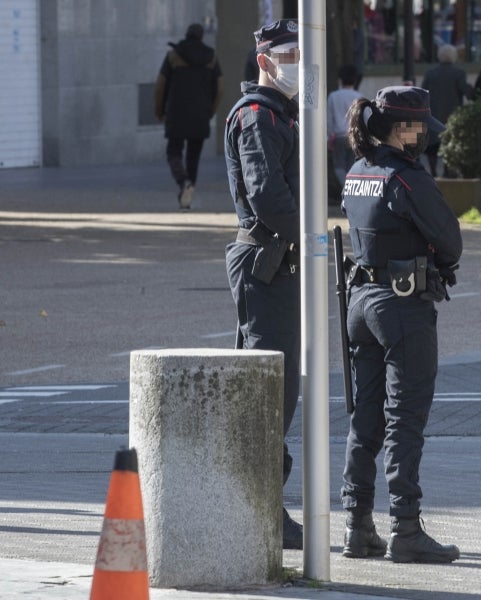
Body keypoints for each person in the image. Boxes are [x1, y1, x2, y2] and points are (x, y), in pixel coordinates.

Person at [339, 86, 463, 563]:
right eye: (422, 129)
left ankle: (356, 524)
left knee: (365, 417)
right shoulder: (406, 178)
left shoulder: (357, 172)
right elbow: (450, 241)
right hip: (401, 307)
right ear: (403, 130)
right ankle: (406, 528)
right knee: (404, 420)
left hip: (360, 305)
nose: (425, 139)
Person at [222, 19, 304, 550]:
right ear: (264, 60)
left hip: (279, 259)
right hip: (265, 260)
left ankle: (260, 504)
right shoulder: (257, 117)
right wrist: (311, 236)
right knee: (269, 389)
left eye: (302, 51)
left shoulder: (282, 115)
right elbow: (267, 196)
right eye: (289, 53)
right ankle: (258, 511)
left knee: (279, 389)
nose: (297, 61)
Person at [154, 23, 223, 210]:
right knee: (194, 157)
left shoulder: (173, 56)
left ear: (186, 35)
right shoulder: (211, 58)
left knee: (173, 152)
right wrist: (210, 111)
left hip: (176, 113)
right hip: (200, 115)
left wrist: (159, 111)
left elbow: (160, 86)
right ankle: (189, 192)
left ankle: (184, 182)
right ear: (201, 38)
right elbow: (220, 89)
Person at [420, 45, 473, 176]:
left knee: (432, 148)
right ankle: (447, 173)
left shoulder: (430, 74)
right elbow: (466, 92)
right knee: (448, 146)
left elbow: (422, 93)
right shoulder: (459, 73)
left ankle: (432, 173)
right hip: (451, 117)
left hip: (433, 116)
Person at [327, 65, 364, 187]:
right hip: (354, 136)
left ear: (340, 80)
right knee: (352, 166)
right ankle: (351, 188)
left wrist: (329, 136)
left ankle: (346, 187)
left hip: (338, 136)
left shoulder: (333, 96)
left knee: (339, 166)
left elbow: (329, 118)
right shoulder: (359, 97)